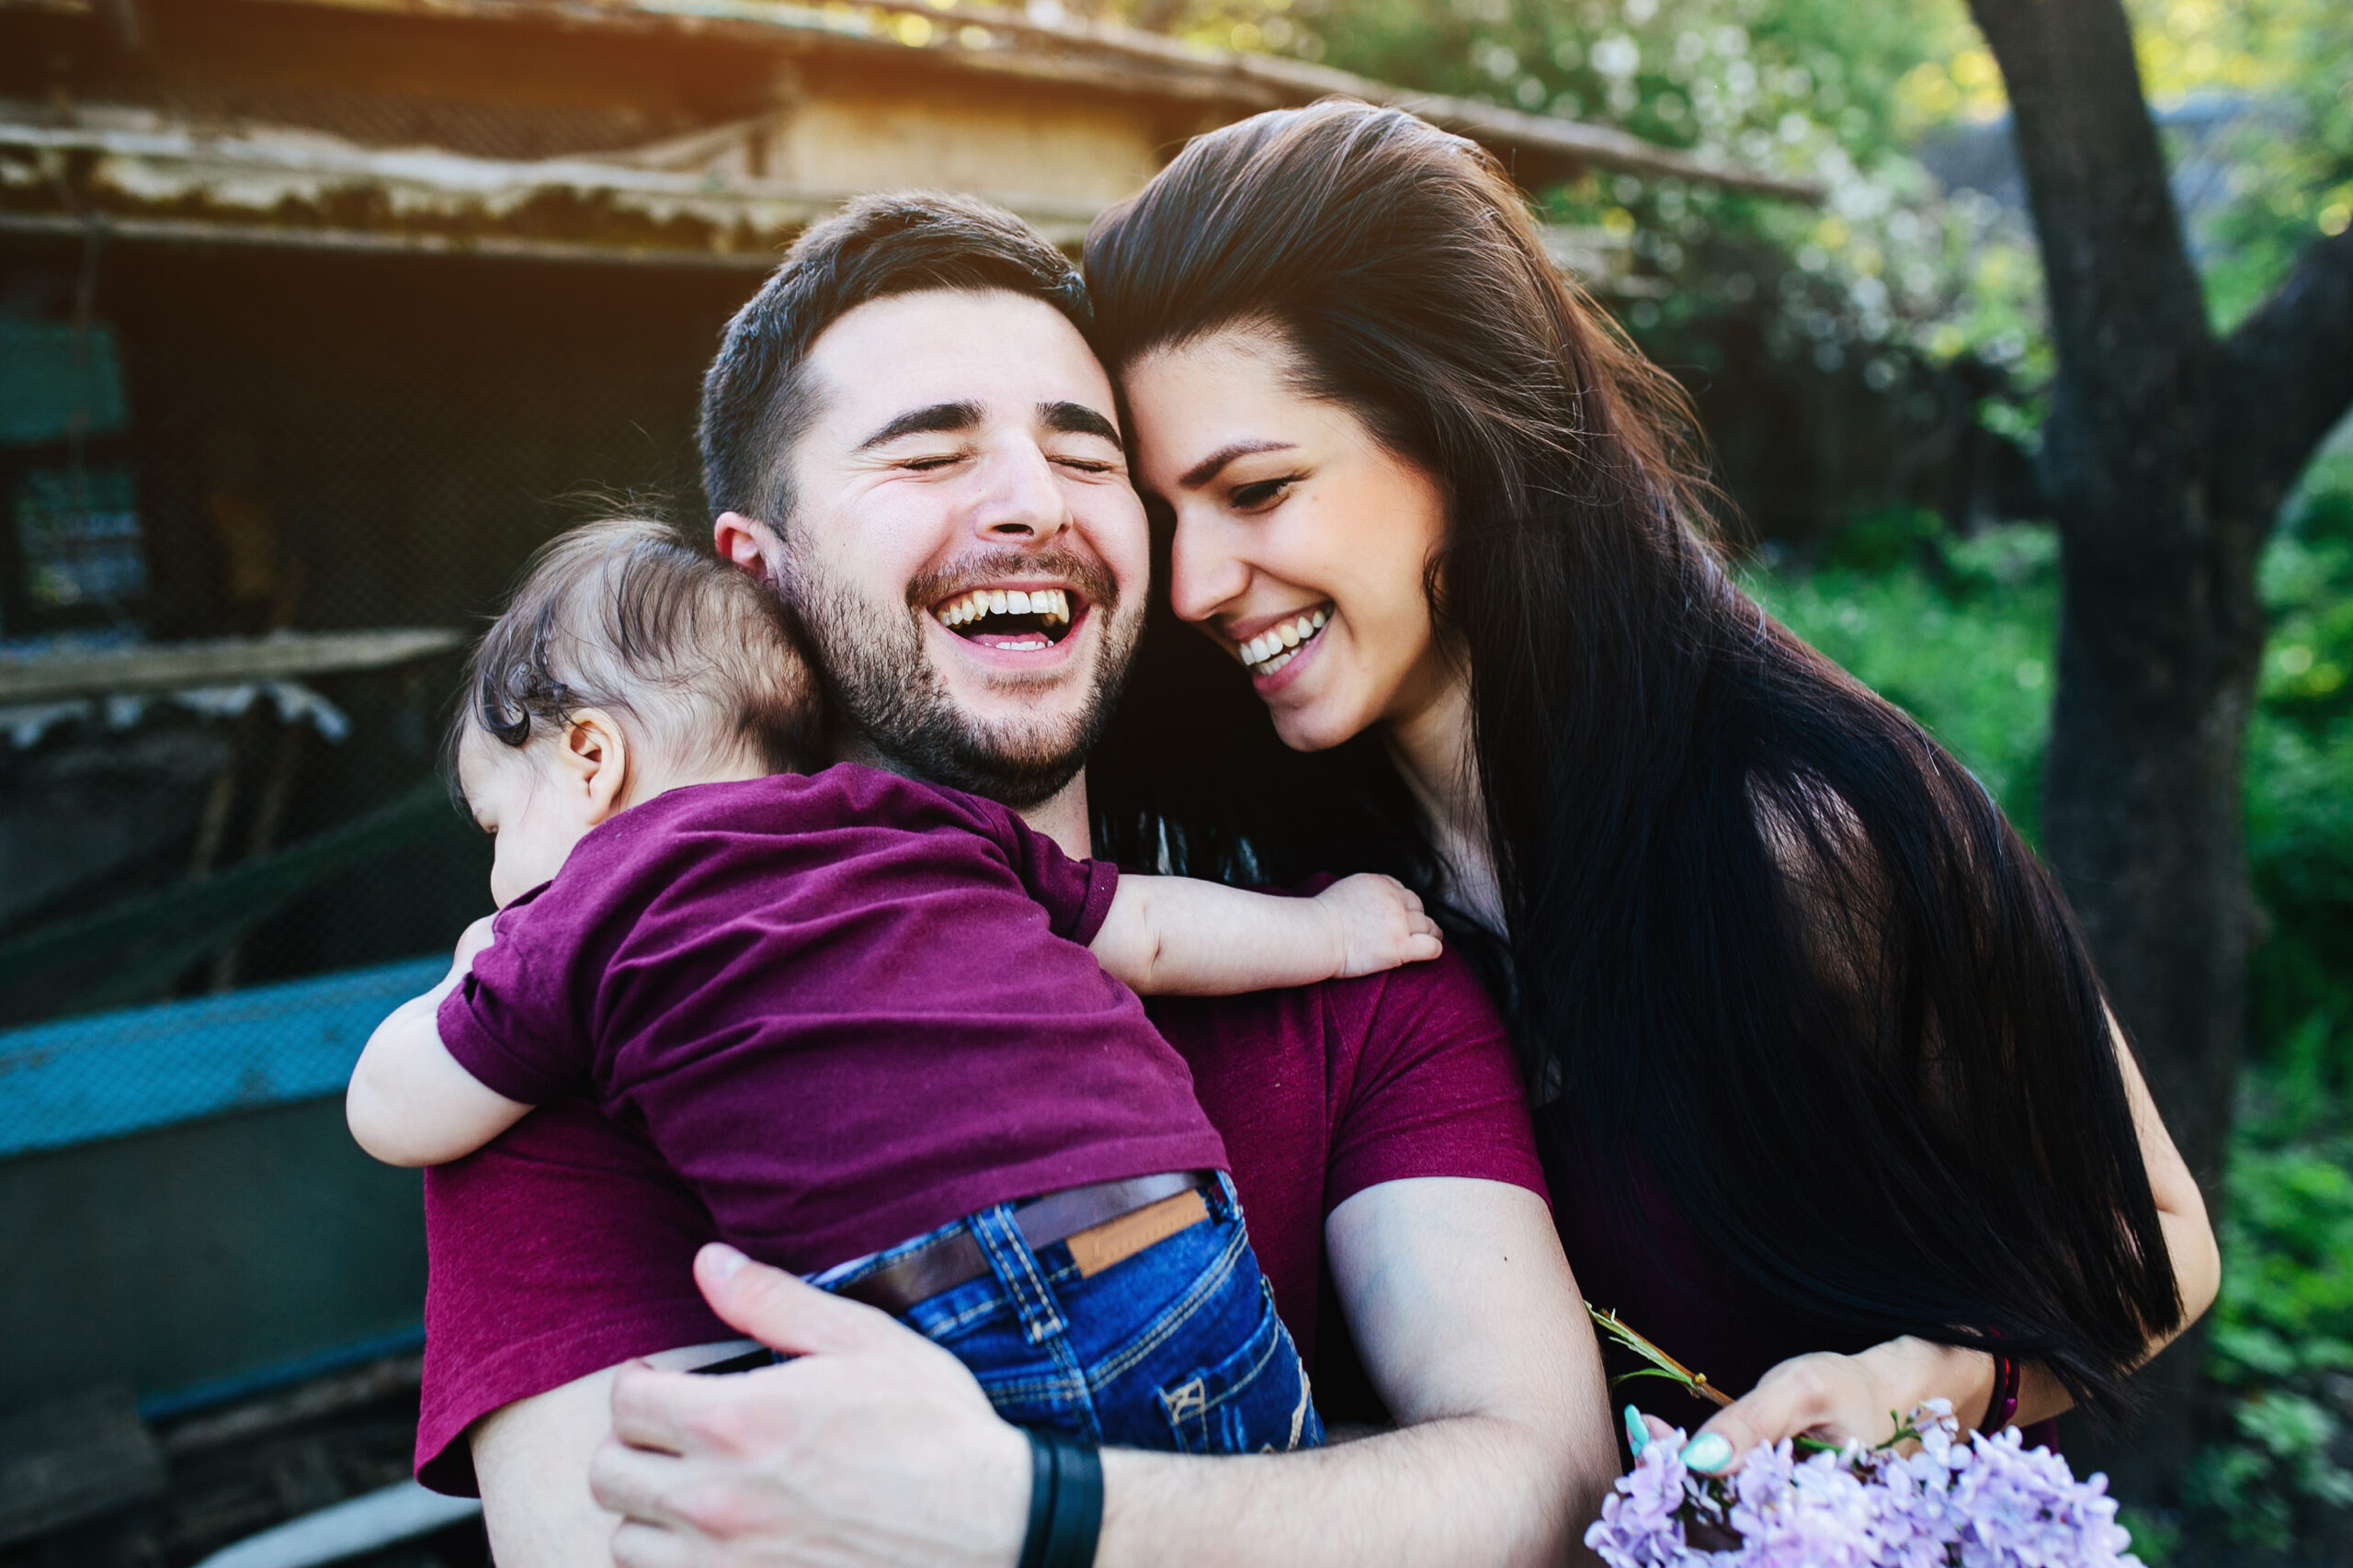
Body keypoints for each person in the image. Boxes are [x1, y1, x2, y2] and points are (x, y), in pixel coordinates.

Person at [415, 192, 1620, 1566]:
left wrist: (1020, 1509)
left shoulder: (1355, 973)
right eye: (930, 455)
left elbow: (1550, 1491)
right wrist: (1343, 1494)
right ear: (763, 569)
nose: (1032, 504)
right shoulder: (593, 1042)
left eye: (1083, 455)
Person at [1074, 99, 2221, 1471]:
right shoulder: (1248, 852)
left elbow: (2152, 1236)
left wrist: (1916, 1385)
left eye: (1256, 489)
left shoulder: (1802, 830)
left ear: (1456, 432)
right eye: (1163, 517)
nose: (1194, 584)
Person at [351, 515, 1449, 1454]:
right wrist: (1332, 929)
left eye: (498, 823)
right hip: (1177, 1239)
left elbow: (398, 1114)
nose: (497, 875)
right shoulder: (911, 819)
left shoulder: (580, 912)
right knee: (1262, 1479)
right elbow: (1149, 928)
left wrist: (470, 970)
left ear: (591, 759)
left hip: (944, 1302)